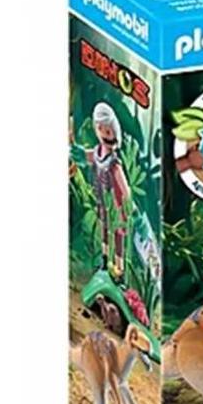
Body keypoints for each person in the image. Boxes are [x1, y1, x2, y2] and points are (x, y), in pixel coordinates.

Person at [73, 102, 130, 278]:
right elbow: (89, 156)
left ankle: (120, 269)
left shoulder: (114, 162)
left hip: (116, 203)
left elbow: (124, 187)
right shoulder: (98, 151)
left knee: (118, 234)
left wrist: (127, 206)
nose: (104, 134)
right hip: (102, 198)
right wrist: (76, 151)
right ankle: (105, 260)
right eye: (100, 129)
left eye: (108, 131)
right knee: (104, 228)